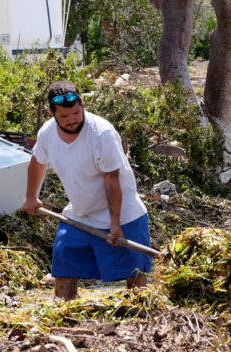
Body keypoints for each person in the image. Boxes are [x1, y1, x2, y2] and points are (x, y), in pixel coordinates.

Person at [23, 81, 152, 300]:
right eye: (64, 116)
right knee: (64, 268)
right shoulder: (47, 133)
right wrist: (31, 197)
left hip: (123, 214)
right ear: (51, 112)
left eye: (76, 113)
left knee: (135, 276)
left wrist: (115, 224)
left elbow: (112, 182)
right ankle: (64, 314)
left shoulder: (101, 134)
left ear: (82, 105)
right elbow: (37, 161)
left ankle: (141, 321)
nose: (72, 120)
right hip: (80, 214)